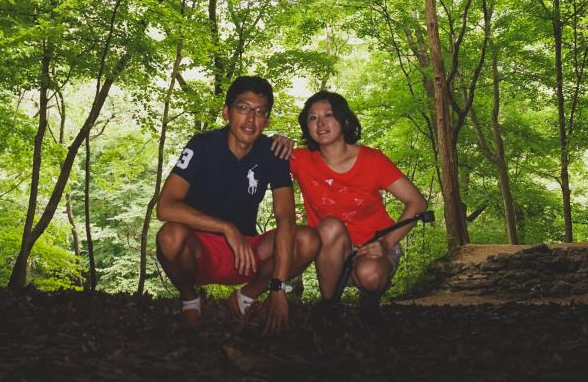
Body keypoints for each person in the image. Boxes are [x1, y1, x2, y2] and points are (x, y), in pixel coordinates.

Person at [156, 76, 320, 333]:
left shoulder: (273, 153)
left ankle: (245, 297)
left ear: (267, 121)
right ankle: (190, 299)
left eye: (259, 112)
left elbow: (285, 217)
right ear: (226, 113)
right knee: (170, 236)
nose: (251, 119)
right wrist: (226, 227)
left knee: (308, 239)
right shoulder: (202, 145)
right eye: (243, 108)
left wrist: (277, 285)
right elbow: (165, 207)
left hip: (248, 254)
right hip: (199, 250)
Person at [288, 91, 426, 311]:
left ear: (344, 120)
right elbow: (256, 153)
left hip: (375, 247)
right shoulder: (300, 159)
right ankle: (329, 307)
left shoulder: (372, 160)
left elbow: (417, 202)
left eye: (328, 115)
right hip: (331, 251)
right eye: (313, 118)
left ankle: (370, 301)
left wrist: (385, 243)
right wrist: (278, 140)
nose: (320, 123)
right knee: (330, 225)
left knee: (370, 275)